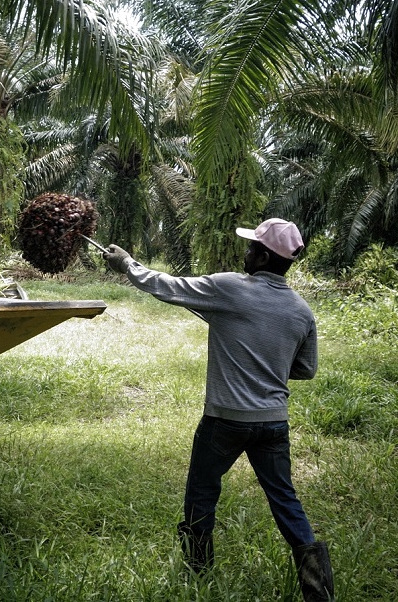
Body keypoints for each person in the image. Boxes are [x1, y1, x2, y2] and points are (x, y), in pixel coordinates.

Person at [101, 218, 334, 602]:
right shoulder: (301, 310)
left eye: (250, 248)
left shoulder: (229, 288)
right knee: (285, 498)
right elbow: (305, 370)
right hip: (273, 423)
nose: (244, 253)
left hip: (224, 420)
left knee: (202, 491)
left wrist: (128, 264)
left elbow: (168, 286)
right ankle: (317, 588)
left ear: (261, 256)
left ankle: (198, 573)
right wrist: (270, 361)